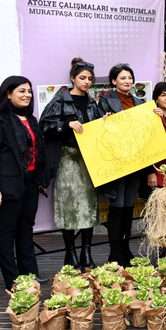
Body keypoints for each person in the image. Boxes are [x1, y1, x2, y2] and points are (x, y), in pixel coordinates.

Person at [0, 76, 50, 290]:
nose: (27, 95)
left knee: (26, 228)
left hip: (30, 182)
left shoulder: (30, 119)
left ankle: (30, 274)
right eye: (21, 91)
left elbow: (37, 152)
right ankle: (12, 281)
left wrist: (40, 179)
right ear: (8, 94)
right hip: (6, 185)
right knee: (6, 232)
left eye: (29, 91)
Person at [39, 58, 102, 271]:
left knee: (89, 206)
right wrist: (66, 124)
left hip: (89, 159)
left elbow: (100, 129)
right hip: (67, 158)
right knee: (68, 207)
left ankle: (86, 251)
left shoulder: (93, 102)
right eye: (82, 78)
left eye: (90, 79)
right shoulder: (60, 101)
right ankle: (70, 253)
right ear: (72, 78)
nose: (86, 82)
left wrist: (107, 120)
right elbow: (44, 127)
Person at [96, 64, 148, 267]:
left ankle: (125, 249)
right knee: (116, 206)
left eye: (129, 78)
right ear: (113, 81)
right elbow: (98, 130)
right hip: (116, 160)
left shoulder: (139, 102)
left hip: (135, 160)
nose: (127, 81)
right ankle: (115, 252)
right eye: (123, 78)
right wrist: (104, 122)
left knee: (128, 205)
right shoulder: (105, 101)